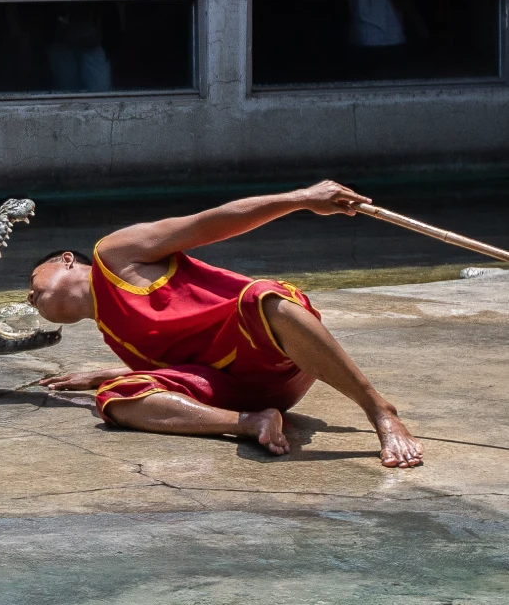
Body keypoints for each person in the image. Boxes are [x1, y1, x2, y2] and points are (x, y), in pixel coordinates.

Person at [27, 181, 425, 468]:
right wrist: (107, 376)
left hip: (275, 348)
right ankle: (251, 423)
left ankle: (379, 410)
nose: (30, 296)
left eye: (32, 281)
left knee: (263, 298)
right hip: (240, 390)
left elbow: (209, 223)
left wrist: (302, 198)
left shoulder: (113, 254)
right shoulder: (111, 332)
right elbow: (182, 370)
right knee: (117, 397)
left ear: (65, 260)